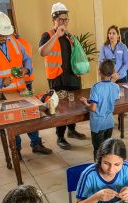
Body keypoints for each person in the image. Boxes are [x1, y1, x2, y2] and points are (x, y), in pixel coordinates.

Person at [0, 12, 52, 159]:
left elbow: (27, 58)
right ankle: (17, 151)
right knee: (11, 123)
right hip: (1, 94)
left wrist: (26, 69)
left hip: (22, 90)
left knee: (31, 118)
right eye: (1, 35)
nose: (5, 37)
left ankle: (36, 144)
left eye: (6, 34)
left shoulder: (14, 40)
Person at [39, 2, 86, 150]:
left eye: (66, 20)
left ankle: (72, 130)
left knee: (73, 106)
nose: (64, 22)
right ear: (54, 19)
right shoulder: (47, 35)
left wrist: (80, 70)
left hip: (72, 77)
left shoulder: (70, 36)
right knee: (60, 108)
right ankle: (60, 136)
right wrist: (56, 35)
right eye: (61, 19)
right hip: (57, 78)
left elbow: (77, 56)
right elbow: (42, 52)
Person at [76, 138, 128, 203]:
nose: (111, 170)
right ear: (100, 159)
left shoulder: (126, 167)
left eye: (117, 164)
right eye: (106, 163)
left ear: (123, 161)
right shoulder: (88, 175)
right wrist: (96, 197)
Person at [80, 60, 120, 160]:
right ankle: (105, 165)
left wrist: (85, 103)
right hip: (109, 122)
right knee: (107, 148)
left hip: (98, 124)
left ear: (99, 71)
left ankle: (97, 168)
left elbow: (93, 108)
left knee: (98, 149)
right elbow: (111, 99)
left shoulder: (96, 87)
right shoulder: (116, 87)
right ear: (113, 72)